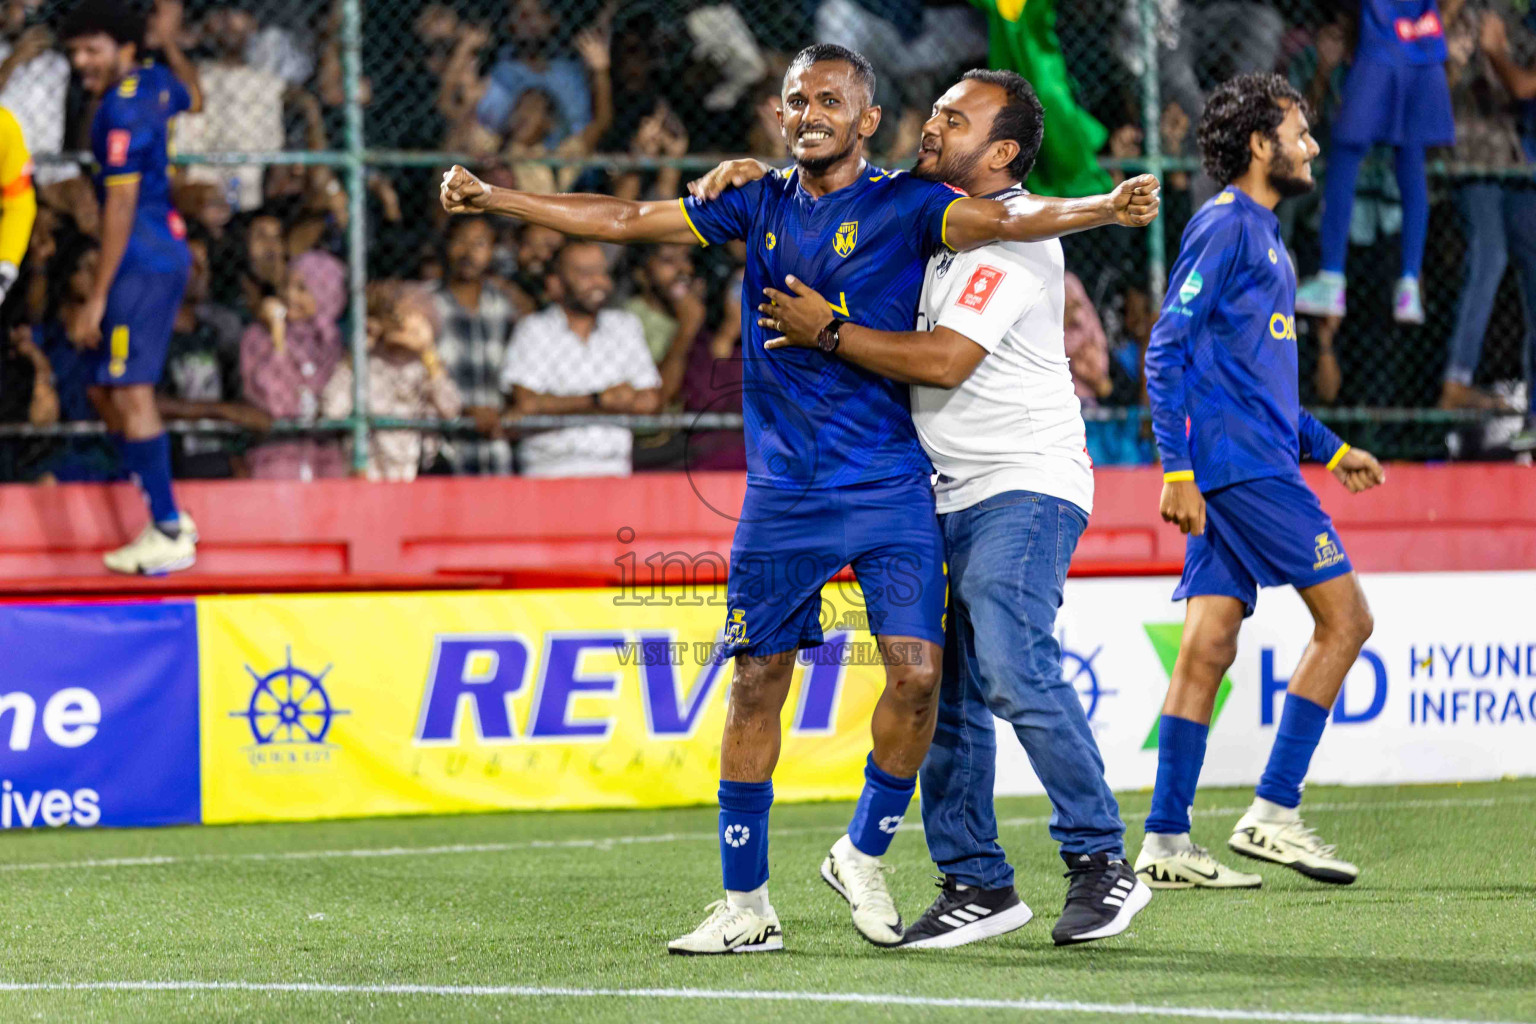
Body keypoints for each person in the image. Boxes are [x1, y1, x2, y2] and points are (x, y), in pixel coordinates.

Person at [440, 43, 1158, 954]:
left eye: (830, 98)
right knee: (758, 680)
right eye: (794, 98)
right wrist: (498, 197)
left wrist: (1103, 205)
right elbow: (625, 217)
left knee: (927, 676)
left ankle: (900, 851)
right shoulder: (757, 197)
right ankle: (757, 906)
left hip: (906, 482)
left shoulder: (918, 204)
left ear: (865, 121)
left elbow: (1016, 225)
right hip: (794, 492)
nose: (808, 109)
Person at [691, 69, 1153, 948]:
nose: (931, 122)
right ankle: (978, 880)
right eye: (934, 107)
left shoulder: (1004, 242)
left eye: (955, 116)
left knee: (1013, 665)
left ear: (1005, 151)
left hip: (1019, 481)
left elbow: (943, 361)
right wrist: (752, 171)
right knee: (942, 687)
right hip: (936, 485)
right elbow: (825, 190)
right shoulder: (923, 214)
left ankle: (1100, 860)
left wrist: (825, 328)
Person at [1140, 73, 1386, 891]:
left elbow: (1255, 387)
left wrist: (1331, 444)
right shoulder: (1227, 227)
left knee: (1208, 646)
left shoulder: (1266, 239)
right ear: (1259, 144)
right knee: (1346, 621)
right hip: (1239, 472)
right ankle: (1274, 812)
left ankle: (1166, 842)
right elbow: (1164, 349)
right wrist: (1176, 467)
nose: (1312, 145)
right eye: (1300, 131)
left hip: (1246, 460)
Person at [62, 0, 202, 575]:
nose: (79, 62)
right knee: (105, 389)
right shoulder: (157, 82)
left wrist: (96, 295)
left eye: (91, 49)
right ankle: (164, 509)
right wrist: (167, 44)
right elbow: (197, 94)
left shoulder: (119, 112)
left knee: (130, 391)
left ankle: (168, 526)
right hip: (162, 249)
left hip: (138, 260)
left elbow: (118, 205)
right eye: (73, 51)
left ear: (123, 48)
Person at [1294, 0, 1453, 325]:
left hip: (1382, 49)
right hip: (1424, 49)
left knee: (1345, 155)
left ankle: (1332, 277)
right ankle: (1409, 286)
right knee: (1411, 160)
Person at [498, 241, 661, 477]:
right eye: (585, 274)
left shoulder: (626, 326)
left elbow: (649, 402)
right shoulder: (534, 329)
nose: (599, 282)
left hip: (614, 470)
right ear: (555, 283)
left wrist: (556, 405)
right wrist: (597, 400)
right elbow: (525, 406)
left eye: (602, 272)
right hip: (547, 472)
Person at [430, 216, 518, 475]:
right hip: (443, 449)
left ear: (492, 251)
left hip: (495, 451)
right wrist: (463, 412)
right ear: (446, 246)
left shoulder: (506, 310)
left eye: (479, 244)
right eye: (460, 242)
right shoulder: (427, 307)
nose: (468, 252)